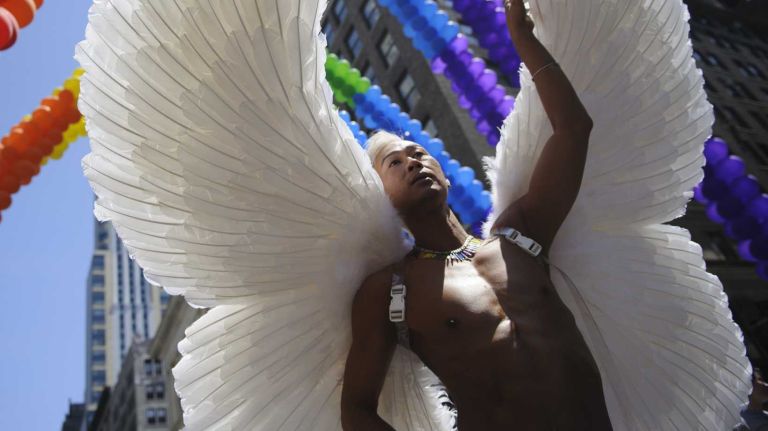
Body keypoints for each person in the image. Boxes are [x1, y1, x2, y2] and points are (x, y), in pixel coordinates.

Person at [340, 1, 612, 429]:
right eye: (395, 163)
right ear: (381, 196)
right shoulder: (390, 290)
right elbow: (356, 410)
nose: (413, 162)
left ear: (445, 176)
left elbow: (574, 129)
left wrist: (523, 39)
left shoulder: (520, 236)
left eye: (420, 154)